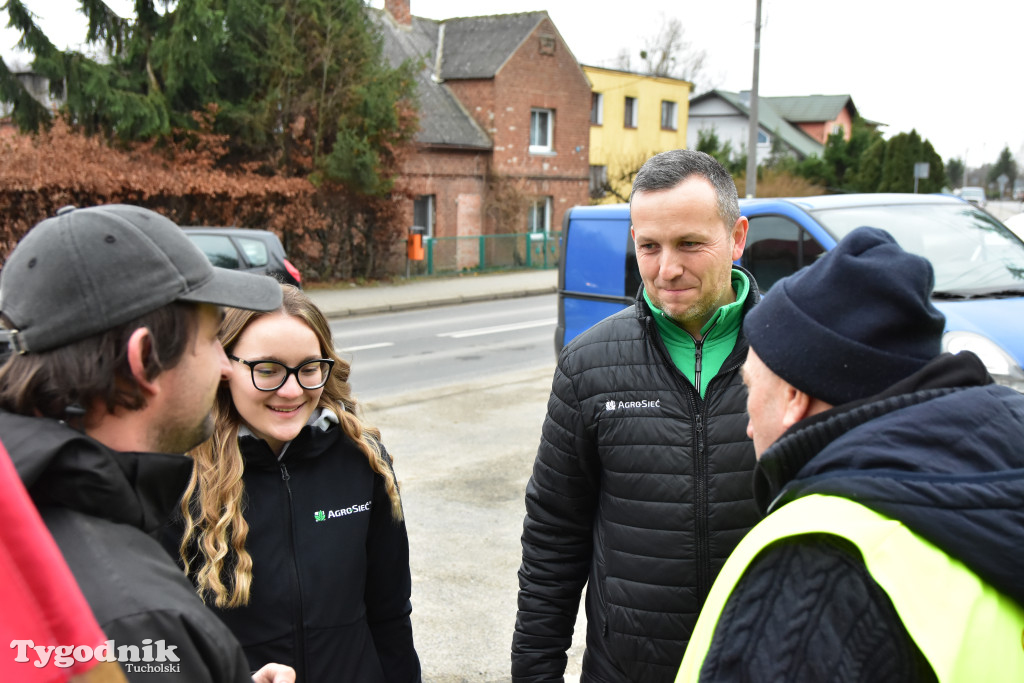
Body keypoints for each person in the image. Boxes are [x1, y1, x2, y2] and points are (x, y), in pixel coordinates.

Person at [676, 227, 1024, 682]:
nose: (746, 423)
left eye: (750, 388)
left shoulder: (815, 567)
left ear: (794, 395)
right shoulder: (993, 478)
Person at [0, 204, 295, 683]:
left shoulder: (21, 505)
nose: (225, 367)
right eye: (211, 339)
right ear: (144, 360)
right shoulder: (144, 621)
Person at [512, 149, 763, 682]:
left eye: (690, 244)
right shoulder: (588, 365)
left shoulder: (790, 358)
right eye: (649, 246)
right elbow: (555, 535)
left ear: (737, 237)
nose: (666, 269)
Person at [167, 284, 420, 683]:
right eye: (267, 369)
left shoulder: (363, 458)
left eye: (308, 368)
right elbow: (154, 645)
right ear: (224, 367)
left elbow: (390, 613)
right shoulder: (178, 476)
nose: (291, 390)